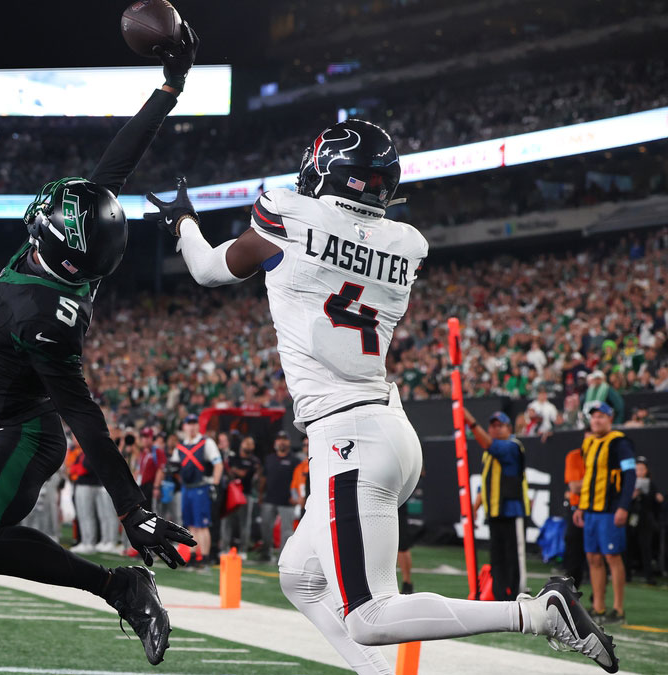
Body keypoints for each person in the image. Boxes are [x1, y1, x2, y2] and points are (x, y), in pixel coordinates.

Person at [146, 118, 618, 673]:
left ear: (325, 172)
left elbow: (205, 269)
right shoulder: (405, 244)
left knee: (369, 616)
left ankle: (538, 615)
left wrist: (182, 222)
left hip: (348, 438)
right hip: (387, 430)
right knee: (298, 574)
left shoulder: (290, 216)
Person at [0, 32, 200, 667]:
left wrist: (132, 508)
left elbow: (83, 415)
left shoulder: (38, 312)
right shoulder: (74, 261)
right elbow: (113, 171)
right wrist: (168, 89)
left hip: (24, 430)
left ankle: (119, 586)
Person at [575, 402, 637, 625]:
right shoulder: (589, 443)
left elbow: (630, 476)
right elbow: (589, 477)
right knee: (593, 558)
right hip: (591, 510)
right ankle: (598, 607)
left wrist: (623, 506)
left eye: (601, 416)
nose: (597, 420)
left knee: (612, 557)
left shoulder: (619, 443)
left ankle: (618, 609)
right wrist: (582, 505)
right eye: (594, 417)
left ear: (610, 419)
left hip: (610, 510)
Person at [463, 409, 530, 601]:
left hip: (512, 511)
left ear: (509, 428)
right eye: (492, 426)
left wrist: (471, 421)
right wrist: (475, 509)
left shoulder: (512, 446)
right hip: (494, 512)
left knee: (514, 557)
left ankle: (519, 593)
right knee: (497, 558)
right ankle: (501, 597)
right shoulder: (489, 453)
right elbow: (484, 484)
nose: (495, 429)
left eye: (499, 425)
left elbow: (487, 443)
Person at [172, 414, 223, 566]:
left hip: (201, 487)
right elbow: (174, 465)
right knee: (191, 524)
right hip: (187, 488)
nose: (192, 427)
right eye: (189, 423)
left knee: (202, 525)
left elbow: (218, 464)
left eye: (195, 423)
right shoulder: (180, 446)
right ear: (184, 427)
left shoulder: (206, 442)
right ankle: (194, 555)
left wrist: (215, 483)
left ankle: (205, 557)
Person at [258, 430, 299, 562]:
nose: (281, 441)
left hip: (287, 501)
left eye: (284, 439)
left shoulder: (295, 460)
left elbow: (298, 481)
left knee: (286, 531)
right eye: (279, 439)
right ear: (275, 442)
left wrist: (295, 496)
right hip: (269, 498)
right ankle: (266, 554)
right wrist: (260, 494)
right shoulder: (269, 458)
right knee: (265, 528)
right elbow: (263, 478)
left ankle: (284, 557)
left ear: (289, 442)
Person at [222, 436, 259, 553]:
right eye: (246, 442)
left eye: (250, 443)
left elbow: (244, 474)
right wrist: (235, 471)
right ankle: (224, 548)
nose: (248, 445)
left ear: (253, 447)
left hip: (245, 494)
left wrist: (235, 470)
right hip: (231, 493)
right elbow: (228, 471)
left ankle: (243, 550)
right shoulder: (233, 457)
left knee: (245, 523)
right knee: (227, 521)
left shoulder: (254, 460)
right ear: (241, 444)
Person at [629, 457, 663, 584]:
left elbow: (656, 505)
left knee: (646, 548)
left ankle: (649, 575)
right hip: (632, 520)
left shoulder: (651, 484)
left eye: (642, 469)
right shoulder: (629, 484)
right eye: (637, 469)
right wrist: (634, 495)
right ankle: (628, 575)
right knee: (629, 547)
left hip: (645, 520)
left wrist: (657, 498)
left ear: (646, 470)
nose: (639, 471)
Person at [563, 444, 587, 587]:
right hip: (578, 509)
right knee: (574, 550)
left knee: (597, 557)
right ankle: (570, 593)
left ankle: (599, 605)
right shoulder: (574, 456)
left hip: (600, 511)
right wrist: (595, 480)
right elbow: (574, 487)